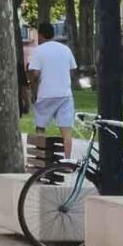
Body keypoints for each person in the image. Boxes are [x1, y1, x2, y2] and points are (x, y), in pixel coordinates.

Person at [28, 22, 77, 161]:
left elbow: (35, 74)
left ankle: (40, 158)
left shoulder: (38, 51)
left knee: (41, 126)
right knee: (66, 130)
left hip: (46, 94)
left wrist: (31, 86)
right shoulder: (65, 49)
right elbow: (72, 70)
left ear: (40, 34)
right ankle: (67, 161)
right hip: (65, 94)